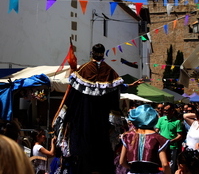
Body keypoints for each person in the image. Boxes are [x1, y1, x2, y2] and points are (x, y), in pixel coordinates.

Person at [61, 43, 143, 174]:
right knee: (102, 145)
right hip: (102, 118)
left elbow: (73, 93)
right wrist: (131, 85)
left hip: (84, 117)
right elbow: (119, 87)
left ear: (92, 53)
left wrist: (67, 114)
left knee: (84, 146)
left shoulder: (83, 70)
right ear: (103, 54)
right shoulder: (109, 71)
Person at [119, 104, 171, 174]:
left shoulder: (128, 136)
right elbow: (165, 164)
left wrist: (133, 169)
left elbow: (122, 162)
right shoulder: (158, 138)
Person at [155, 103, 183, 174]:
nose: (165, 111)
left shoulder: (177, 122)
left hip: (172, 146)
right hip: (162, 146)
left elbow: (180, 135)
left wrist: (171, 141)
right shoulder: (161, 119)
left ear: (172, 111)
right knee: (162, 163)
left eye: (167, 110)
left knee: (172, 164)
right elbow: (156, 131)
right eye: (164, 110)